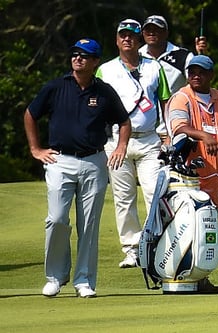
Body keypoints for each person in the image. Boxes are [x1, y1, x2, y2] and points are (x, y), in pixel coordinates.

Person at [24, 38, 132, 297]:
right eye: (75, 54)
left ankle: (83, 280)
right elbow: (30, 114)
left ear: (95, 62)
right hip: (60, 160)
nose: (78, 58)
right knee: (57, 219)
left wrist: (120, 148)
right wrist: (35, 149)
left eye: (85, 55)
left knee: (90, 225)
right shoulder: (56, 87)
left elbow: (124, 121)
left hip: (94, 161)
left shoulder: (104, 91)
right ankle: (55, 277)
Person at [96, 19, 172, 269]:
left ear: (139, 40)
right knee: (123, 197)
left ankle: (157, 245)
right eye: (123, 35)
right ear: (117, 40)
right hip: (116, 141)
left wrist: (168, 133)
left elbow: (165, 104)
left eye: (132, 35)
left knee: (154, 194)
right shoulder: (105, 70)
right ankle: (131, 249)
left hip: (150, 139)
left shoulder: (154, 68)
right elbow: (96, 105)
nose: (127, 39)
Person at [165, 55, 218, 293]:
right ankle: (185, 277)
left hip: (217, 172)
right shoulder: (182, 97)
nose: (196, 75)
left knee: (208, 230)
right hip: (191, 176)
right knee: (193, 228)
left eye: (202, 72)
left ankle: (201, 279)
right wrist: (206, 136)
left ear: (211, 75)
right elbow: (179, 127)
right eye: (192, 71)